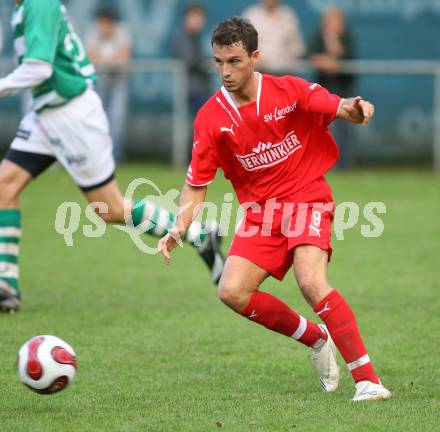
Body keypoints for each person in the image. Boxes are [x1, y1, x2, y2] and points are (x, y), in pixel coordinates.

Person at [159, 17, 392, 401]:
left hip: (306, 196)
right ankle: (317, 339)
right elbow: (195, 186)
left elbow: (338, 107)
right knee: (231, 291)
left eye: (234, 61)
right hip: (260, 214)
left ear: (255, 57)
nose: (225, 71)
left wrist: (356, 108)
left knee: (311, 282)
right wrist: (178, 227)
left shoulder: (288, 91)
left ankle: (368, 381)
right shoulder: (211, 118)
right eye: (218, 62)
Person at [0, 0, 224, 313]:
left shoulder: (39, 3)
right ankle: (6, 285)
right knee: (4, 187)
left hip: (71, 115)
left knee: (110, 208)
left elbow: (39, 68)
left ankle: (200, 235)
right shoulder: (29, 6)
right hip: (46, 113)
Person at [309, 6, 356, 168]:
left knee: (344, 131)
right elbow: (309, 55)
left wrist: (333, 40)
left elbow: (346, 57)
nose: (330, 24)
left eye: (335, 21)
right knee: (322, 130)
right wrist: (324, 61)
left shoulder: (347, 37)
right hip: (324, 92)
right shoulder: (317, 36)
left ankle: (343, 166)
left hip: (344, 91)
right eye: (328, 21)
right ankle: (324, 165)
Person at [87, 8, 132, 163]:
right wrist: (110, 59)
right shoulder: (93, 31)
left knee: (117, 120)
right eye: (102, 22)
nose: (105, 26)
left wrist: (103, 59)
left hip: (118, 82)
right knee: (96, 121)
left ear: (113, 23)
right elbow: (90, 57)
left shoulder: (122, 31)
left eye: (108, 22)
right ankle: (98, 157)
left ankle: (115, 157)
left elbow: (123, 58)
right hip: (99, 83)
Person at [171, 4, 211, 120]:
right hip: (190, 89)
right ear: (187, 18)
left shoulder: (196, 37)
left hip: (200, 89)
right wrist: (208, 63)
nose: (200, 20)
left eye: (201, 17)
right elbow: (190, 61)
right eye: (196, 16)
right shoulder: (181, 37)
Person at [242, 0, 304, 73]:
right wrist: (257, 59)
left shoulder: (288, 16)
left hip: (283, 72)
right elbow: (244, 46)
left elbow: (297, 48)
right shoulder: (251, 15)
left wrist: (286, 60)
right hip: (257, 71)